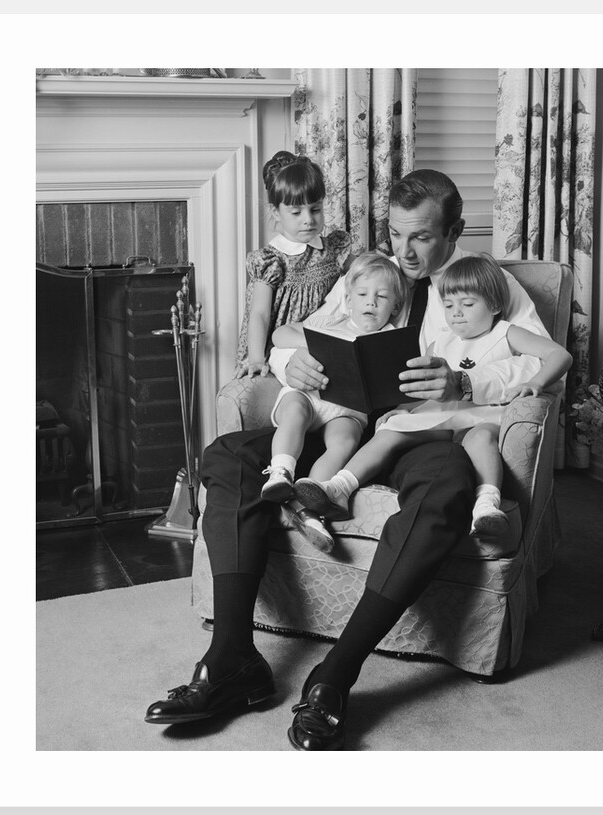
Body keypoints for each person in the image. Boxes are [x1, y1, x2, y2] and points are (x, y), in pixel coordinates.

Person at [145, 169, 548, 751]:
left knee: (445, 494)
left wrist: (465, 383)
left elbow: (540, 367)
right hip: (341, 421)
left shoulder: (485, 284)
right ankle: (232, 658)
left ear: (455, 231)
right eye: (396, 233)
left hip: (423, 435)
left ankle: (335, 675)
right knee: (230, 454)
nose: (405, 252)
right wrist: (293, 366)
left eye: (423, 238)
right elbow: (301, 335)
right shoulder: (368, 273)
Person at [292, 254, 573, 537]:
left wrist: (536, 382)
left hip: (483, 415)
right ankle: (340, 487)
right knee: (391, 430)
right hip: (444, 417)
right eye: (449, 305)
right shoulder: (442, 341)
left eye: (468, 304)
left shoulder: (507, 333)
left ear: (495, 305)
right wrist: (404, 409)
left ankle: (486, 505)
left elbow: (559, 354)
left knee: (481, 438)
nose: (456, 313)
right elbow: (420, 386)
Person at [260, 252, 408, 511]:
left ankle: (312, 498)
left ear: (395, 306)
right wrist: (312, 343)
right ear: (349, 300)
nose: (371, 303)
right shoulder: (328, 322)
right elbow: (279, 334)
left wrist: (399, 408)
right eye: (362, 295)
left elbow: (400, 385)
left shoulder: (392, 341)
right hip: (308, 396)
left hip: (347, 410)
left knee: (345, 442)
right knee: (294, 410)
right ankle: (281, 473)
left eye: (382, 297)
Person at [234, 150, 352, 378]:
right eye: (296, 212)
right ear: (275, 212)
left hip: (320, 344)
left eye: (315, 209)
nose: (308, 219)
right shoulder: (272, 261)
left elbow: (361, 272)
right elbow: (259, 313)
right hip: (280, 348)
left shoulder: (333, 249)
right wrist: (257, 358)